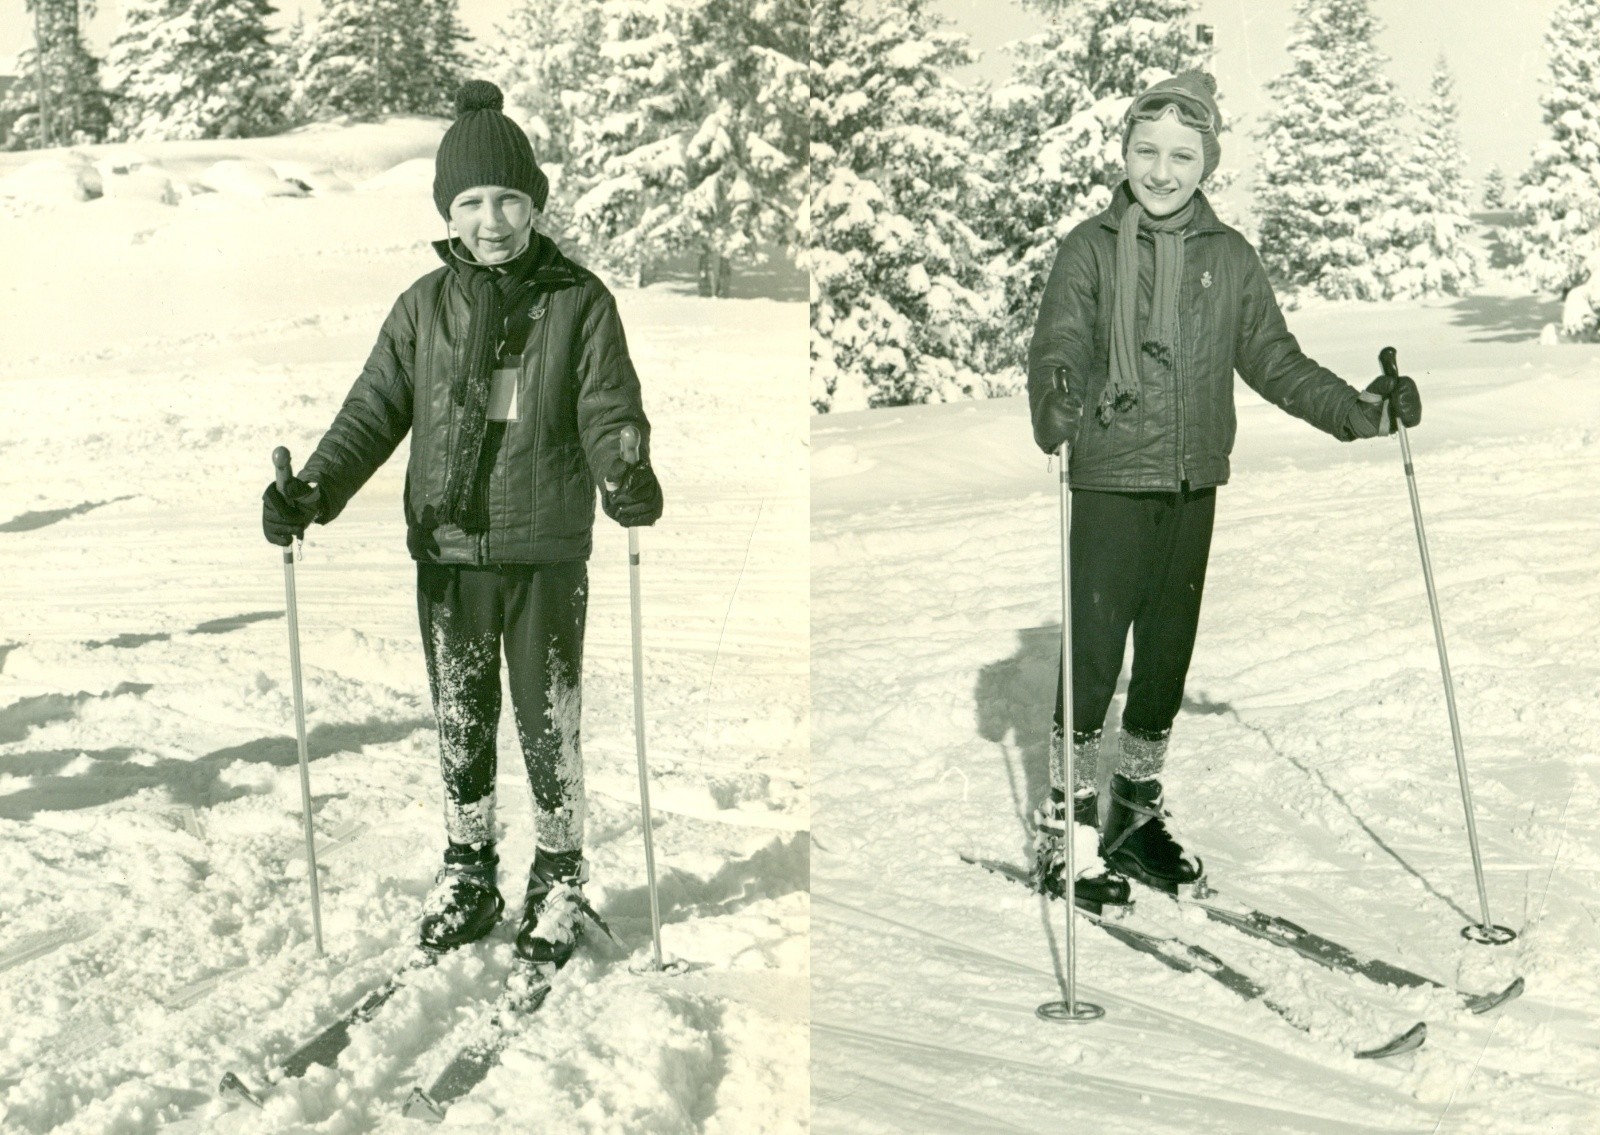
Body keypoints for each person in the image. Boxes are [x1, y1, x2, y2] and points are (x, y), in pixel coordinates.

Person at [260, 80, 663, 969]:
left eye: (508, 199)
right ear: (449, 210)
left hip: (546, 553)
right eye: (472, 202)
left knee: (546, 718)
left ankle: (558, 876)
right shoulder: (423, 309)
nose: (491, 219)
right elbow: (372, 412)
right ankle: (469, 867)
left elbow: (607, 410)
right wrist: (313, 492)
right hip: (446, 555)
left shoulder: (579, 301)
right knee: (462, 718)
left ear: (535, 203)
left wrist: (625, 471)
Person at [1026, 71, 1420, 904]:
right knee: (1095, 660)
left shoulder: (1231, 259)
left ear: (1208, 161)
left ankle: (1130, 816)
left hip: (1194, 481)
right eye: (1146, 151)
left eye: (1181, 154)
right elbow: (1058, 341)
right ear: (1124, 152)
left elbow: (1274, 360)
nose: (1161, 171)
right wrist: (1057, 394)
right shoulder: (1090, 249)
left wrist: (1361, 413)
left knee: (1165, 659)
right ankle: (1064, 830)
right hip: (1109, 479)